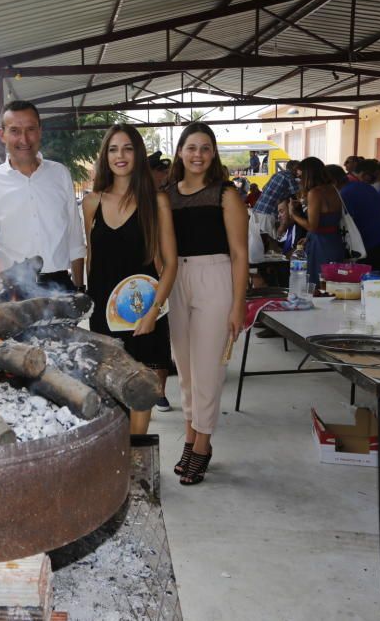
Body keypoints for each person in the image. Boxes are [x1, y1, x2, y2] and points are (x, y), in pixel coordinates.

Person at [165, 121, 248, 486]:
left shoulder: (225, 194)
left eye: (205, 148)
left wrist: (238, 305)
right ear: (180, 152)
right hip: (176, 279)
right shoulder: (166, 194)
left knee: (208, 368)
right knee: (184, 369)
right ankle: (189, 435)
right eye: (191, 147)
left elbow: (240, 254)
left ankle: (203, 444)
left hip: (215, 277)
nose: (197, 155)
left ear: (213, 154)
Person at [83, 124, 178, 431]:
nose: (120, 156)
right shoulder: (91, 202)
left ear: (138, 153)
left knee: (142, 394)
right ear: (104, 157)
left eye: (127, 148)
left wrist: (153, 313)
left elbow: (171, 264)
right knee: (109, 395)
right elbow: (90, 259)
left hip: (145, 315)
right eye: (112, 149)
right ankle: (118, 464)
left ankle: (136, 463)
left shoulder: (157, 201)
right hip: (104, 316)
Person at [0, 100, 86, 292]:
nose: (24, 139)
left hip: (59, 287)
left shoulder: (60, 174)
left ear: (40, 131)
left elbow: (75, 238)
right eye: (15, 131)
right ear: (2, 135)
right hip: (11, 291)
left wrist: (79, 288)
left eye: (30, 129)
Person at [331, 164, 380, 278]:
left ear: (333, 181)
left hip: (374, 243)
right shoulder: (363, 185)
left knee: (373, 281)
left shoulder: (344, 194)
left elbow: (344, 224)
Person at [290, 157, 346, 284]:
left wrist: (293, 214)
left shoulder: (315, 193)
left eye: (300, 177)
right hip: (334, 241)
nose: (299, 181)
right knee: (333, 282)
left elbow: (312, 226)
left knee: (318, 283)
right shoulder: (332, 188)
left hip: (321, 245)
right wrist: (309, 237)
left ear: (308, 175)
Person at [250, 159, 300, 249]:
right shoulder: (289, 176)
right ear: (295, 168)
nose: (300, 172)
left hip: (258, 210)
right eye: (300, 169)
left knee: (257, 240)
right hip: (267, 213)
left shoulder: (278, 174)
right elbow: (299, 194)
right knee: (268, 244)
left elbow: (264, 187)